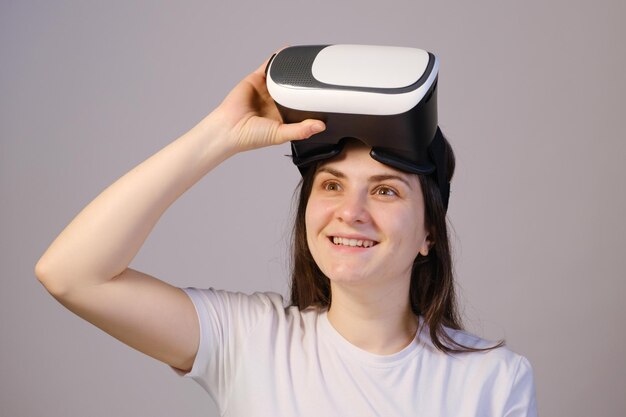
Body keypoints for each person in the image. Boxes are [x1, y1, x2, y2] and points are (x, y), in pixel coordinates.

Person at [35, 48, 538, 416]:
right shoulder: (251, 341)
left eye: (385, 191)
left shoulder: (492, 380)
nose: (351, 212)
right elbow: (71, 275)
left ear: (429, 232)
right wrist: (219, 135)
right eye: (332, 185)